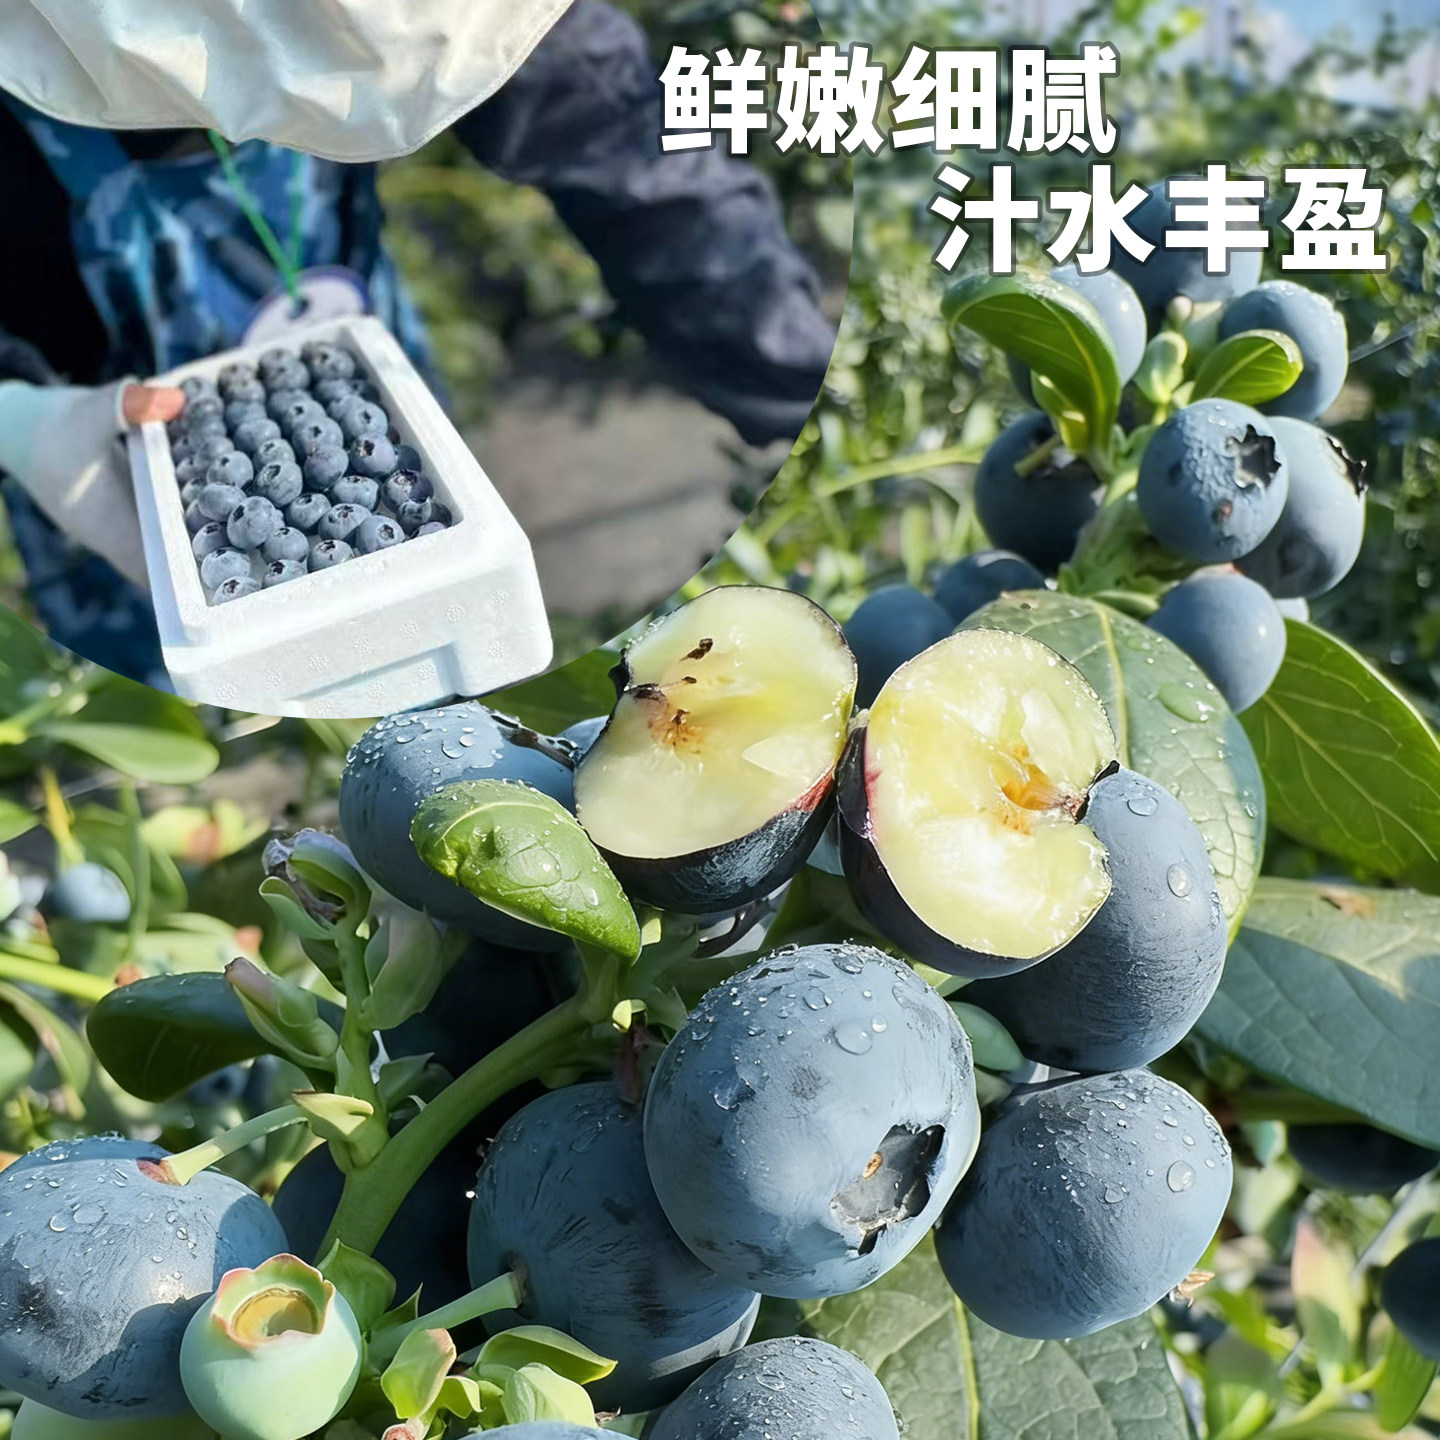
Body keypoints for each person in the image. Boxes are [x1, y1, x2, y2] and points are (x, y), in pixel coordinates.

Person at [0, 0, 837, 684]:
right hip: (89, 457)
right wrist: (19, 416)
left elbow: (617, 136)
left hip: (353, 368)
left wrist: (802, 388)